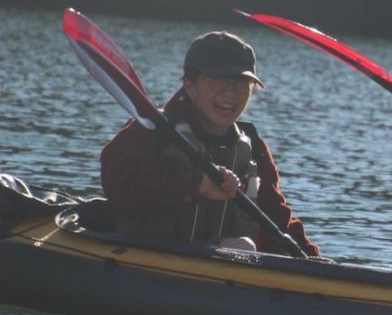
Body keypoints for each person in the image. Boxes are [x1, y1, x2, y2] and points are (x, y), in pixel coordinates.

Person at [101, 31, 319, 256]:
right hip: (146, 259)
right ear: (190, 85)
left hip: (220, 270)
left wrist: (316, 262)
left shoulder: (254, 147)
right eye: (217, 80)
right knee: (241, 248)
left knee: (242, 247)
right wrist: (194, 188)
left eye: (241, 82)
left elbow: (277, 218)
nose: (230, 93)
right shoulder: (150, 130)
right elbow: (118, 188)